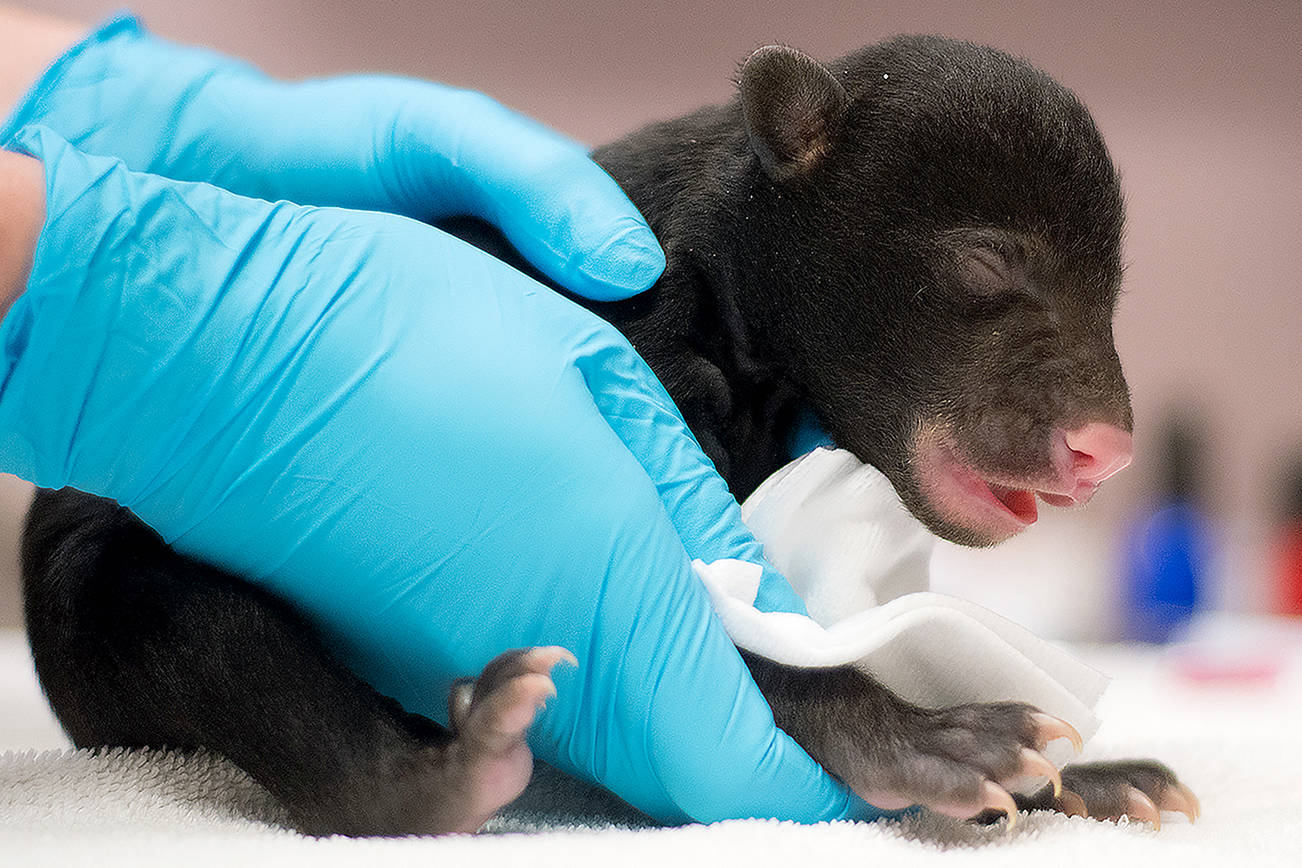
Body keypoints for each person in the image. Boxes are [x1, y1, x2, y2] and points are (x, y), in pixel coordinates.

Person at [0, 6, 880, 824]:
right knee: (130, 581)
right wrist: (108, 299)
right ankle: (376, 778)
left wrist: (84, 101)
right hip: (119, 573)